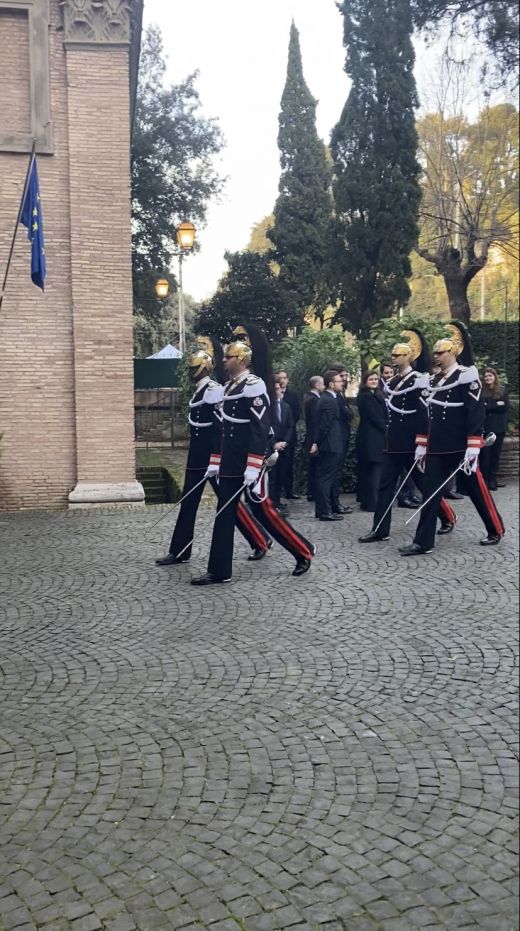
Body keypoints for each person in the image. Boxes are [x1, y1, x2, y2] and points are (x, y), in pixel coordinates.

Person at [155, 339, 271, 567]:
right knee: (189, 502)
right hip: (197, 457)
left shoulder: (214, 390)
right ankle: (179, 550)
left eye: (193, 367)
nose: (190, 372)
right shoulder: (203, 390)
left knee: (229, 507)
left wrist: (217, 459)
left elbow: (221, 427)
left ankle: (260, 540)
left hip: (214, 456)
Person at [399, 322, 505, 556]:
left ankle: (495, 529)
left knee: (476, 489)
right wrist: (422, 442)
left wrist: (474, 445)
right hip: (437, 446)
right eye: (435, 352)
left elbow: (475, 411)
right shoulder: (435, 380)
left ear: (453, 352)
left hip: (460, 445)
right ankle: (423, 542)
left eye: (441, 352)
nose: (436, 356)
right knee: (430, 492)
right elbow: (426, 414)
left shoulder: (466, 376)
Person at [229, 323, 316, 575]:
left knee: (264, 509)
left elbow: (260, 426)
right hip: (239, 454)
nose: (238, 344)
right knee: (238, 506)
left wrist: (255, 461)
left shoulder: (256, 382)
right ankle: (259, 541)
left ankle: (302, 551)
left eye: (243, 340)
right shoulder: (237, 382)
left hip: (256, 456)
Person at [359, 329, 456, 543]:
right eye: (393, 355)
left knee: (425, 485)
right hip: (393, 442)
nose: (394, 358)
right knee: (385, 486)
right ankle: (380, 529)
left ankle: (448, 516)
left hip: (412, 443)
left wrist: (422, 441)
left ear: (409, 356)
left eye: (398, 355)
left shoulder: (418, 380)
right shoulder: (392, 383)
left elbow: (424, 413)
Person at [313, 370, 345, 521]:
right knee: (326, 478)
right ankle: (325, 511)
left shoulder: (326, 398)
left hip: (329, 444)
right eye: (339, 381)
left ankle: (323, 510)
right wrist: (317, 442)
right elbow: (325, 425)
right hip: (330, 445)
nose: (342, 383)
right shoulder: (329, 400)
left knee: (324, 477)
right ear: (331, 384)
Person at [355, 370, 387, 512]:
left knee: (374, 470)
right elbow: (374, 416)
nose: (374, 381)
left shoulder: (378, 395)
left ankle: (370, 500)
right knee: (373, 469)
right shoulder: (365, 397)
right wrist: (386, 428)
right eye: (371, 379)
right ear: (365, 381)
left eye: (376, 379)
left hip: (376, 436)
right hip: (370, 437)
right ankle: (372, 502)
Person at [329, 362, 354, 515]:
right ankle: (334, 503)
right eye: (342, 376)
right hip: (337, 437)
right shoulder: (335, 396)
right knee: (334, 473)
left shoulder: (340, 393)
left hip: (342, 435)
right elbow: (347, 414)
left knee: (337, 472)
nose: (344, 379)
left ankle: (335, 502)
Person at [480, 366, 509, 490]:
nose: (488, 378)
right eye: (486, 376)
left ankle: (493, 479)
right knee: (486, 455)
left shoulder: (502, 390)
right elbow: (482, 408)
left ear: (495, 376)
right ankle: (485, 481)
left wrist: (490, 405)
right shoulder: (481, 391)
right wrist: (496, 404)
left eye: (490, 375)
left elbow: (505, 406)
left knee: (496, 455)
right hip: (487, 427)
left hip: (499, 427)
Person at [274, 369, 301, 500]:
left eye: (285, 378)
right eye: (280, 378)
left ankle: (288, 490)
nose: (283, 380)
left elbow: (295, 416)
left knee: (288, 465)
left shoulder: (292, 396)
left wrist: (286, 439)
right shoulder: (270, 400)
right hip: (274, 440)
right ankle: (276, 497)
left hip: (288, 437)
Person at [269, 378, 294, 509]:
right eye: (274, 390)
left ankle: (277, 502)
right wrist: (274, 444)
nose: (277, 392)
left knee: (280, 477)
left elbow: (291, 426)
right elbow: (265, 428)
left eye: (278, 389)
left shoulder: (286, 407)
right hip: (271, 448)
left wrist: (285, 442)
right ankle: (270, 505)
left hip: (284, 448)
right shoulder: (267, 407)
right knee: (271, 478)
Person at [303, 376, 324, 503]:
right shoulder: (314, 400)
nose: (324, 386)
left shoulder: (309, 399)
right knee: (315, 466)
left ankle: (312, 491)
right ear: (316, 385)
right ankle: (313, 492)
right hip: (313, 436)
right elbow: (316, 422)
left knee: (313, 466)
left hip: (311, 435)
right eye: (322, 384)